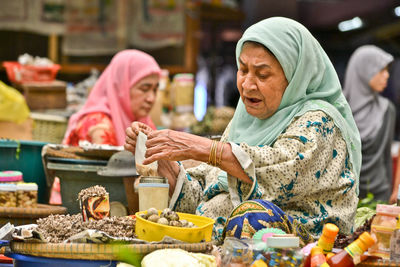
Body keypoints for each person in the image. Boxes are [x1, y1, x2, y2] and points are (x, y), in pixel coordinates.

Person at [125, 17, 361, 243]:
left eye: (262, 74)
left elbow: (279, 172)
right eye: (243, 69)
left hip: (298, 253)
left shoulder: (319, 121)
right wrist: (166, 166)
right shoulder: (246, 119)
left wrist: (199, 148)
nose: (247, 84)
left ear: (295, 77)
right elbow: (209, 194)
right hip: (223, 252)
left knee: (253, 217)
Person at [63, 49, 161, 146]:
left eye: (155, 90)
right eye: (144, 89)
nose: (151, 99)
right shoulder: (98, 125)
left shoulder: (143, 123)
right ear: (121, 87)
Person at [342, 45, 395, 202]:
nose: (387, 76)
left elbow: (386, 155)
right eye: (381, 70)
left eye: (387, 70)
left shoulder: (387, 109)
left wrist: (392, 192)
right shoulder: (338, 110)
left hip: (379, 194)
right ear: (363, 71)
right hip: (345, 195)